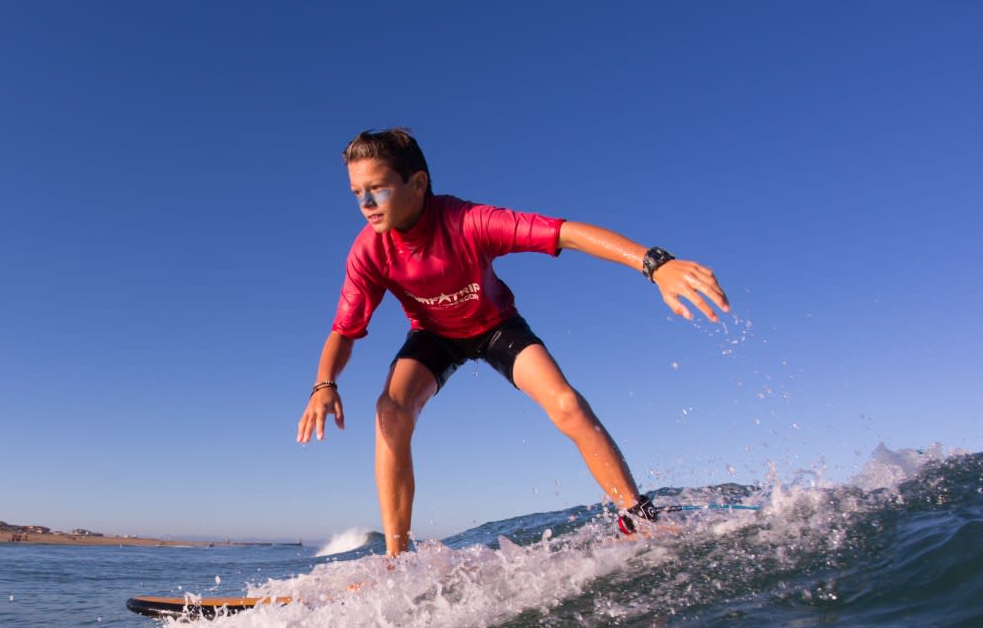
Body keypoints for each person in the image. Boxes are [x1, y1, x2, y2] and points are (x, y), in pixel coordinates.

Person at [296, 128, 731, 556]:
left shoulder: (468, 222)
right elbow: (345, 330)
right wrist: (324, 383)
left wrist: (655, 264)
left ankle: (637, 515)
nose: (366, 204)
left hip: (497, 326)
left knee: (566, 403)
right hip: (432, 336)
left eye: (378, 189)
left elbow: (566, 233)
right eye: (357, 193)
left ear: (418, 183)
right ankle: (397, 561)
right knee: (390, 411)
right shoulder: (369, 252)